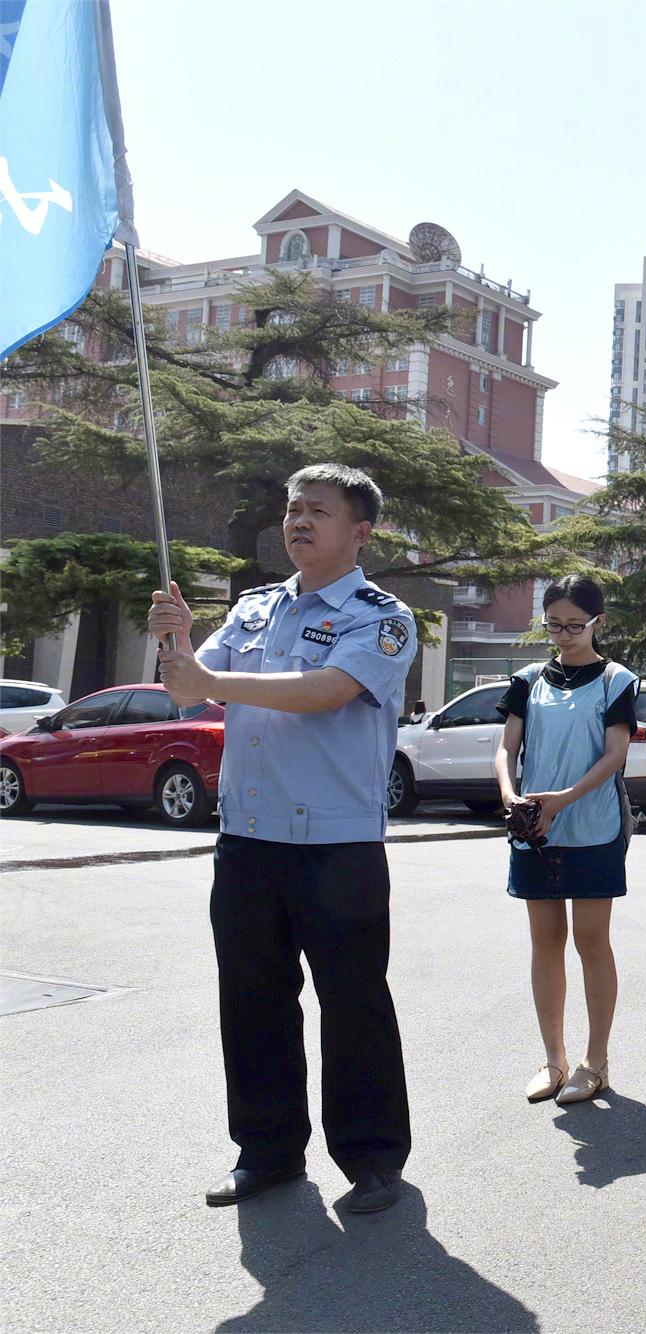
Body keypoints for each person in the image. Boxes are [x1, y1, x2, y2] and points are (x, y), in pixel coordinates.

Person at [147, 464, 415, 1214]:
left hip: (336, 843)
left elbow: (327, 691)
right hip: (249, 838)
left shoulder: (382, 616)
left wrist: (207, 682)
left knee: (353, 1001)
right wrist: (178, 640)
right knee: (253, 999)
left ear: (359, 532)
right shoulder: (256, 608)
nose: (298, 521)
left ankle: (372, 1158)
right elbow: (187, 686)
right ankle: (267, 1151)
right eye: (294, 509)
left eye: (317, 511)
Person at [496, 576, 638, 1106]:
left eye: (574, 626)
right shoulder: (527, 679)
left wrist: (563, 799)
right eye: (553, 624)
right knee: (545, 940)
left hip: (594, 828)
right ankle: (553, 1059)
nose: (563, 635)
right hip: (534, 828)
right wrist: (511, 794)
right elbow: (506, 748)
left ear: (598, 622)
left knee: (592, 941)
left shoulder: (616, 680)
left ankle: (595, 1061)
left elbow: (615, 754)